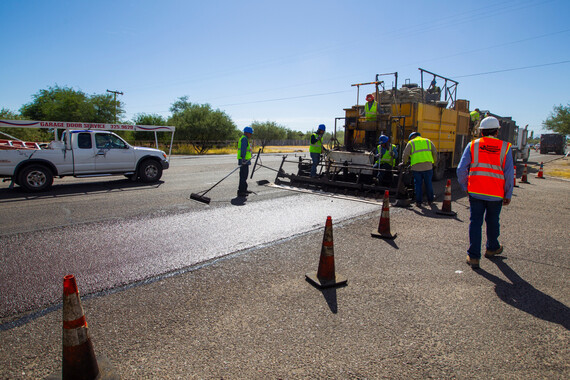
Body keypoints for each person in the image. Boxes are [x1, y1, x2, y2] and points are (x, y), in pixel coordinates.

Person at [457, 116, 514, 269]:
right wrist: (508, 194)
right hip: (496, 193)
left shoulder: (473, 145)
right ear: (497, 131)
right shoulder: (505, 147)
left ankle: (474, 256)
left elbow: (461, 169)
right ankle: (492, 247)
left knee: (475, 223)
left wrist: (465, 187)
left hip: (475, 192)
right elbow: (509, 174)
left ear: (481, 132)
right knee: (493, 221)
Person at [401, 132, 437, 207]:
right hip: (428, 167)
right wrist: (434, 163)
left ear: (412, 137)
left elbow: (405, 154)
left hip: (417, 168)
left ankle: (418, 202)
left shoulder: (411, 142)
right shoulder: (428, 141)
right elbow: (434, 152)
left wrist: (403, 163)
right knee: (428, 184)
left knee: (418, 185)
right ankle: (430, 201)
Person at [237, 126, 253, 197]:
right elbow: (243, 150)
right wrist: (243, 159)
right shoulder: (244, 139)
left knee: (244, 176)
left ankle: (244, 189)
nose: (251, 135)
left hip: (245, 161)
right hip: (244, 161)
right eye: (250, 133)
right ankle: (241, 191)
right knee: (243, 176)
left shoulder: (245, 138)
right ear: (246, 133)